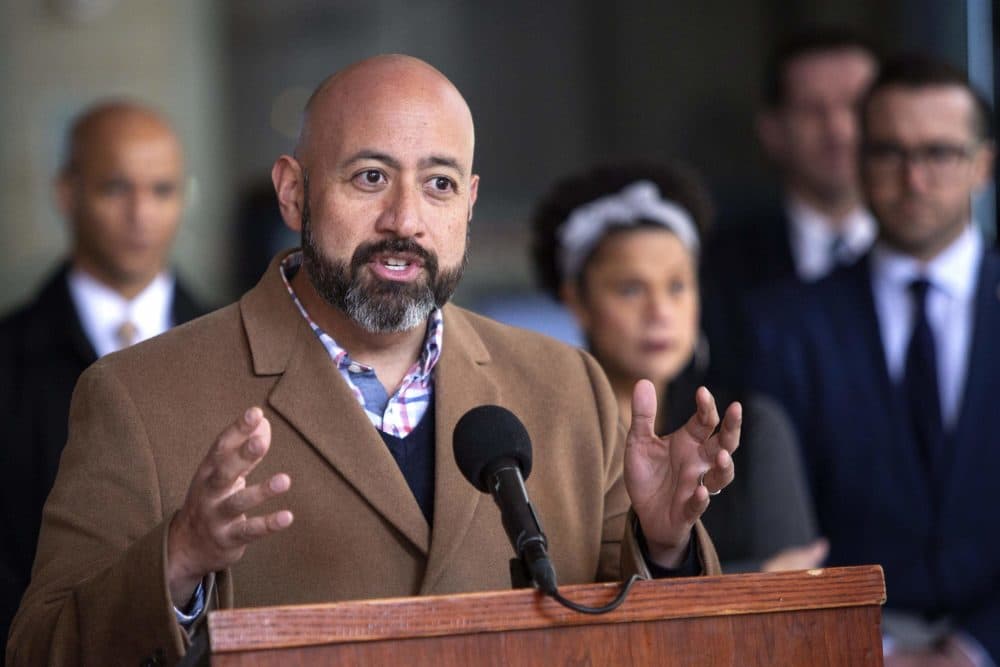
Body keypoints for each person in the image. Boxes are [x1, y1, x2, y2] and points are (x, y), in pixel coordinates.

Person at [7, 55, 741, 665]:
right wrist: (176, 560)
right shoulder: (137, 394)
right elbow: (40, 647)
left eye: (439, 184)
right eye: (369, 177)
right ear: (293, 193)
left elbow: (642, 636)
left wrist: (665, 542)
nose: (405, 220)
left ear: (470, 203)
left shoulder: (565, 387)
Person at [748, 55, 999, 665]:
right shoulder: (786, 324)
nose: (914, 179)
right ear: (861, 160)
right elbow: (783, 527)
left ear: (983, 165)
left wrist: (971, 649)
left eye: (939, 153)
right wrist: (877, 650)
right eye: (890, 152)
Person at [531, 161, 826, 574]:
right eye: (631, 288)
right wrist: (751, 579)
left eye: (677, 286)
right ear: (577, 300)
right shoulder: (538, 437)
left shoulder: (751, 429)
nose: (660, 312)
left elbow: (796, 590)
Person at [0, 101, 205, 658]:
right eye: (116, 189)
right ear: (67, 193)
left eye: (162, 191)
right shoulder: (10, 358)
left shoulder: (236, 348)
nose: (141, 213)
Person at [701, 27, 879, 389]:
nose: (838, 129)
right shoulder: (714, 264)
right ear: (772, 130)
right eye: (813, 110)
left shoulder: (934, 263)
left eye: (856, 108)